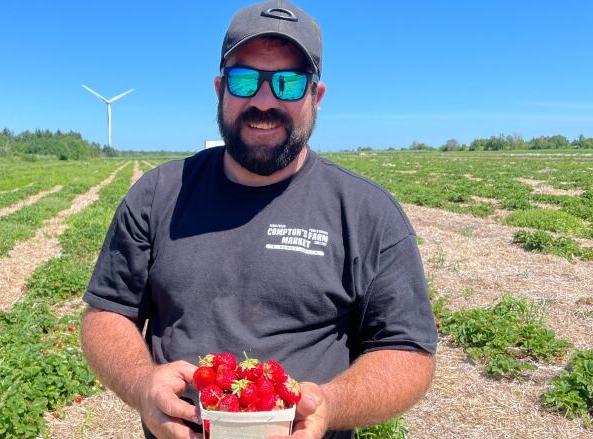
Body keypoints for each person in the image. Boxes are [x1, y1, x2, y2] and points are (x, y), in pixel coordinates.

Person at [80, 1, 437, 438]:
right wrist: (140, 385)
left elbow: (408, 352)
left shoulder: (367, 212)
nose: (264, 101)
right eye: (245, 79)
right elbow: (107, 314)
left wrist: (327, 405)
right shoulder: (158, 195)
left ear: (315, 96)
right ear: (220, 89)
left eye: (287, 83)